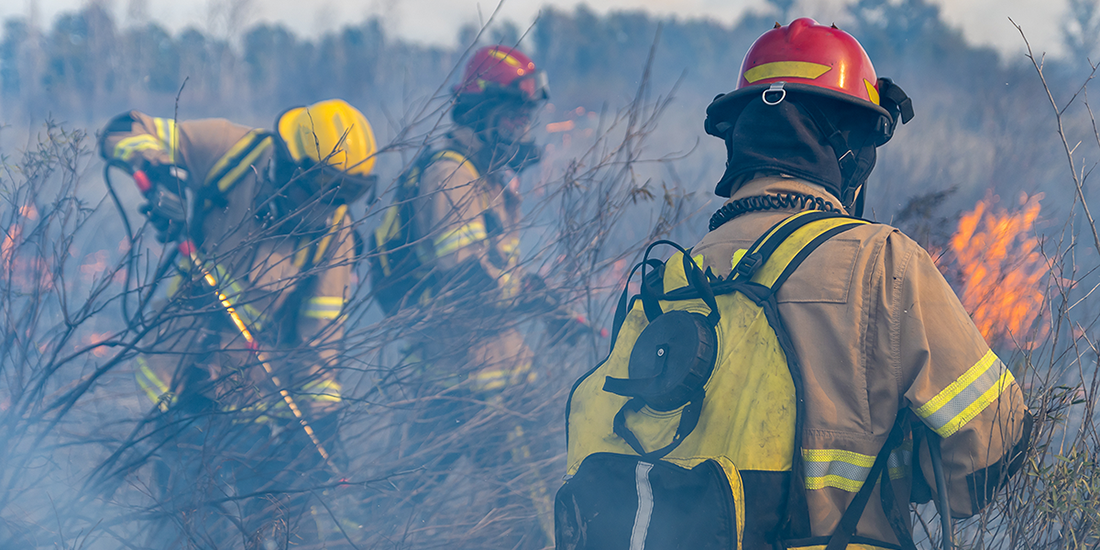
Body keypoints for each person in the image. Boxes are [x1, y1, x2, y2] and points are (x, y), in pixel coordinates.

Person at [558, 19, 1031, 550]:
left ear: (742, 137)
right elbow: (997, 437)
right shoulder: (882, 264)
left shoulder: (670, 279)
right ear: (851, 146)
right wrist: (905, 476)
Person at [98, 99, 377, 549]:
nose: (329, 208)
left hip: (258, 404)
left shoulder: (333, 234)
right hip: (180, 380)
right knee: (190, 525)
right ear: (290, 167)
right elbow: (123, 127)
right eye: (322, 191)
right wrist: (160, 178)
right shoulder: (233, 151)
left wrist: (321, 424)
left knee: (286, 529)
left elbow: (318, 348)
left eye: (345, 195)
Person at [368, 44, 559, 539]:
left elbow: (495, 271)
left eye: (526, 116)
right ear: (482, 110)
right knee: (538, 502)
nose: (523, 127)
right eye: (514, 115)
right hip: (471, 377)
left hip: (483, 370)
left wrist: (535, 293)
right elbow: (469, 279)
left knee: (406, 493)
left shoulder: (489, 176)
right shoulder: (450, 174)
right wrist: (525, 293)